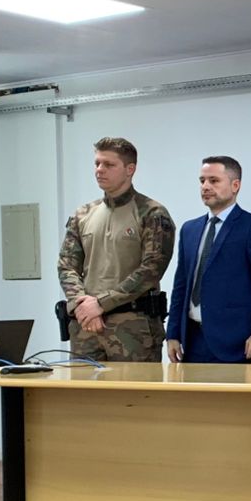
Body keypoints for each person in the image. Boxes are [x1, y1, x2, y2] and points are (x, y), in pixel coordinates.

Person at [58, 136, 175, 362]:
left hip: (132, 329)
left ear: (130, 169)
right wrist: (82, 304)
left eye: (109, 164)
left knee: (134, 387)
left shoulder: (151, 213)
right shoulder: (83, 214)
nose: (99, 170)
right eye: (97, 163)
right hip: (86, 328)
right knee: (82, 386)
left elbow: (151, 270)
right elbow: (66, 266)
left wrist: (101, 304)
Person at [165, 156, 251, 364]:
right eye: (202, 181)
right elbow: (181, 286)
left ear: (235, 185)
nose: (205, 186)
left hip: (237, 344)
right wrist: (172, 333)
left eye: (214, 180)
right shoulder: (189, 229)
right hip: (192, 342)